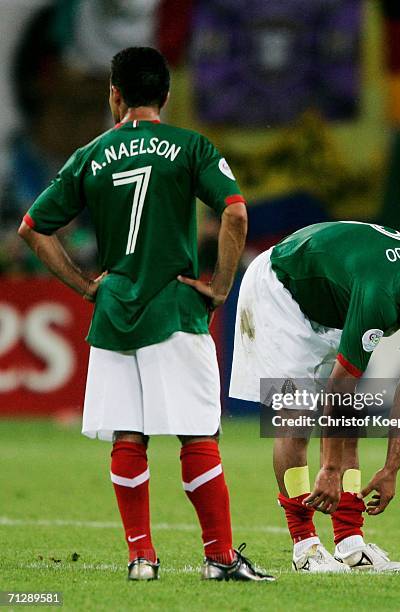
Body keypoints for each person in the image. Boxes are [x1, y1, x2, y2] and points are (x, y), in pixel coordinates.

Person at [18, 46, 273, 582]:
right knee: (198, 436)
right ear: (167, 94)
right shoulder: (191, 147)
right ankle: (220, 559)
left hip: (115, 313)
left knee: (128, 437)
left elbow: (33, 229)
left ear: (115, 94)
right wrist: (221, 286)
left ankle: (141, 558)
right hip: (174, 308)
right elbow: (235, 215)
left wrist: (87, 286)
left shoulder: (89, 154)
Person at [229, 221, 400, 573]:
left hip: (329, 296)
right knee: (297, 416)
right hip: (280, 288)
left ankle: (350, 544)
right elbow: (340, 385)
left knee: (349, 418)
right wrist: (330, 469)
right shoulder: (382, 292)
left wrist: (391, 467)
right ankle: (305, 546)